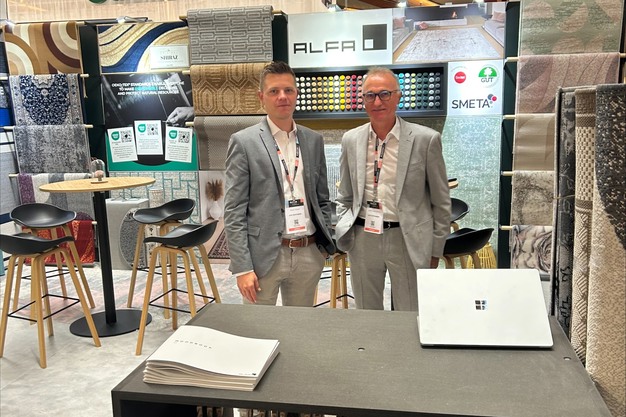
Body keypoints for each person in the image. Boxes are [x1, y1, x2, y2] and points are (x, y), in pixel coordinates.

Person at [334, 66, 451, 311]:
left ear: (398, 96)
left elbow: (441, 202)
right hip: (363, 237)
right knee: (367, 311)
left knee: (409, 312)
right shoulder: (351, 140)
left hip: (407, 238)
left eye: (385, 94)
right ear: (363, 99)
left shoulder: (425, 139)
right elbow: (345, 194)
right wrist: (345, 227)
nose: (377, 102)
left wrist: (435, 249)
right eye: (370, 95)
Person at [224, 61, 335, 307]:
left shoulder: (313, 140)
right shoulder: (244, 142)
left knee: (298, 325)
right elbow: (233, 210)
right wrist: (242, 267)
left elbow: (322, 198)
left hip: (308, 251)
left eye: (288, 90)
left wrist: (322, 247)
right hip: (263, 256)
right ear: (261, 97)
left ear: (296, 94)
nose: (282, 96)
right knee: (258, 326)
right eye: (274, 91)